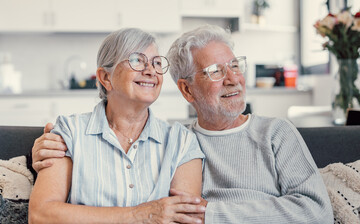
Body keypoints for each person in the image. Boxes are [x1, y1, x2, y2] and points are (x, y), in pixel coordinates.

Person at [32, 25, 333, 223]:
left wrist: (210, 214)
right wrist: (45, 147)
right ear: (187, 90)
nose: (233, 79)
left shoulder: (273, 134)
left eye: (235, 66)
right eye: (215, 71)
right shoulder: (181, 140)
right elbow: (43, 212)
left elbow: (316, 212)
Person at [29, 28, 205, 224]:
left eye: (156, 62)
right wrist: (139, 215)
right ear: (105, 78)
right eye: (137, 60)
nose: (150, 71)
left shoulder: (182, 142)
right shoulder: (70, 132)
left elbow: (185, 218)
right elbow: (41, 215)